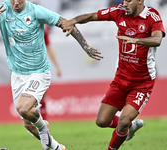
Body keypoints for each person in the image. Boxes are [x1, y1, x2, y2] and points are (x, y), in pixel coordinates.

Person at [0, 0, 103, 150]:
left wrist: (86, 47)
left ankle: (42, 127)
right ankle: (58, 148)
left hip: (38, 73)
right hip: (17, 75)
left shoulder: (37, 11)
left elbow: (65, 23)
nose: (16, 3)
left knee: (23, 108)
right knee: (27, 123)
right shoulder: (2, 9)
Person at [59, 0, 165, 149]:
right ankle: (130, 126)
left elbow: (157, 39)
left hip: (142, 82)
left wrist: (136, 40)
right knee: (101, 121)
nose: (125, 3)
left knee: (123, 121)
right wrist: (72, 21)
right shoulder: (119, 11)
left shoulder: (152, 16)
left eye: (129, 0)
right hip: (121, 79)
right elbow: (91, 16)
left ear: (140, 1)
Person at [40, 25, 62, 120]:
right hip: (26, 67)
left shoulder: (42, 30)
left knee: (42, 94)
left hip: (41, 66)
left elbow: (48, 47)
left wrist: (57, 66)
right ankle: (31, 121)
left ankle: (44, 121)